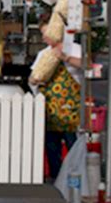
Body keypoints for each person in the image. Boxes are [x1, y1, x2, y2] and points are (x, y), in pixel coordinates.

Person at [29, 15, 83, 180]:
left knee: (73, 145)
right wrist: (33, 80)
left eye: (46, 33)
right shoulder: (43, 54)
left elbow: (87, 65)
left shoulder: (74, 49)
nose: (45, 38)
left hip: (71, 109)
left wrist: (65, 58)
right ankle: (56, 177)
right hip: (50, 109)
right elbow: (32, 78)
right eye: (43, 34)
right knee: (52, 146)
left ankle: (76, 178)